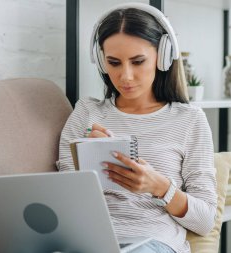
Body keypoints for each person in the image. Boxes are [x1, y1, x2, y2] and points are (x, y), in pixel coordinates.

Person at [56, 3, 217, 253]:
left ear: (162, 57)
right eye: (114, 62)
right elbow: (64, 203)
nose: (126, 76)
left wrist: (160, 187)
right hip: (88, 240)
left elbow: (205, 221)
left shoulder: (190, 120)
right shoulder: (87, 113)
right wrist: (87, 161)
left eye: (138, 61)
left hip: (151, 242)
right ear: (101, 62)